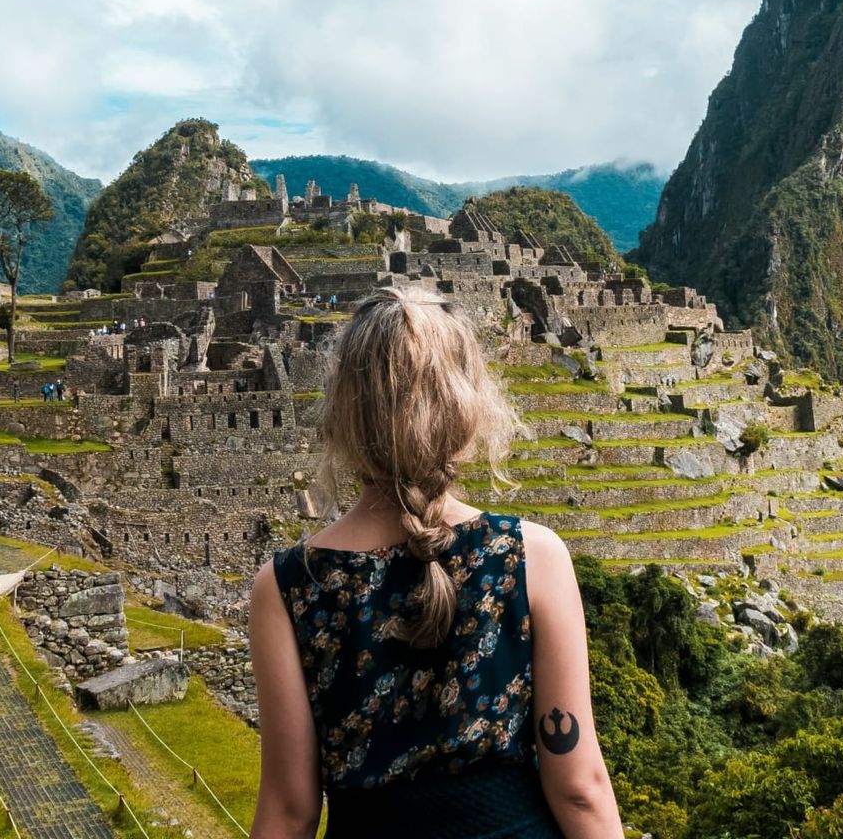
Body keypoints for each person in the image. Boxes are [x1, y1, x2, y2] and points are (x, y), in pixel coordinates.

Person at [249, 286, 622, 839]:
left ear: (344, 414)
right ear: (467, 409)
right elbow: (578, 785)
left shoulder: (289, 586)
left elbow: (290, 811)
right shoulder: (530, 557)